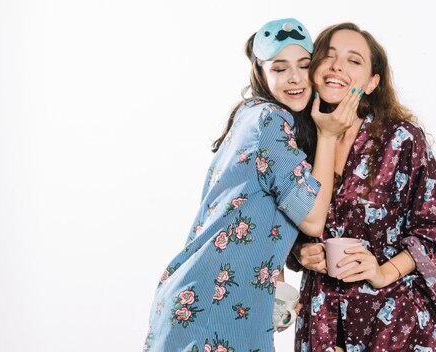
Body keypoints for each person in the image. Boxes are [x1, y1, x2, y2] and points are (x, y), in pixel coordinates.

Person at [143, 18, 362, 352]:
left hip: (218, 302)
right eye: (279, 68)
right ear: (261, 73)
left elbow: (257, 208)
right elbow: (313, 219)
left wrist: (276, 284)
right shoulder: (270, 120)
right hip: (209, 306)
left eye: (303, 65)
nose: (294, 78)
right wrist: (329, 135)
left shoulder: (253, 114)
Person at [286, 23, 436, 351]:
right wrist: (300, 252)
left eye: (354, 61)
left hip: (393, 324)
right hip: (322, 320)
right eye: (328, 56)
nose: (337, 66)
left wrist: (382, 272)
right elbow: (286, 226)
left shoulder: (402, 140)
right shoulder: (296, 144)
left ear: (371, 83)